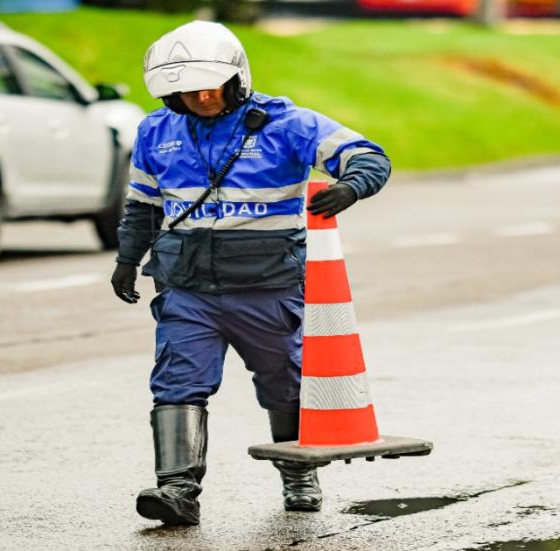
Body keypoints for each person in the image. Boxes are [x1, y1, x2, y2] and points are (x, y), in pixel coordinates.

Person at [110, 20, 391, 526]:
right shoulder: (156, 130)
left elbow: (368, 156)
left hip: (267, 287)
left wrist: (351, 186)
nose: (200, 97)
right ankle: (176, 490)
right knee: (177, 382)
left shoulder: (288, 123)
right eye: (187, 90)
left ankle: (298, 474)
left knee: (284, 385)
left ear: (236, 77)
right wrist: (127, 259)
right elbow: (144, 205)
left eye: (209, 86)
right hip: (187, 287)